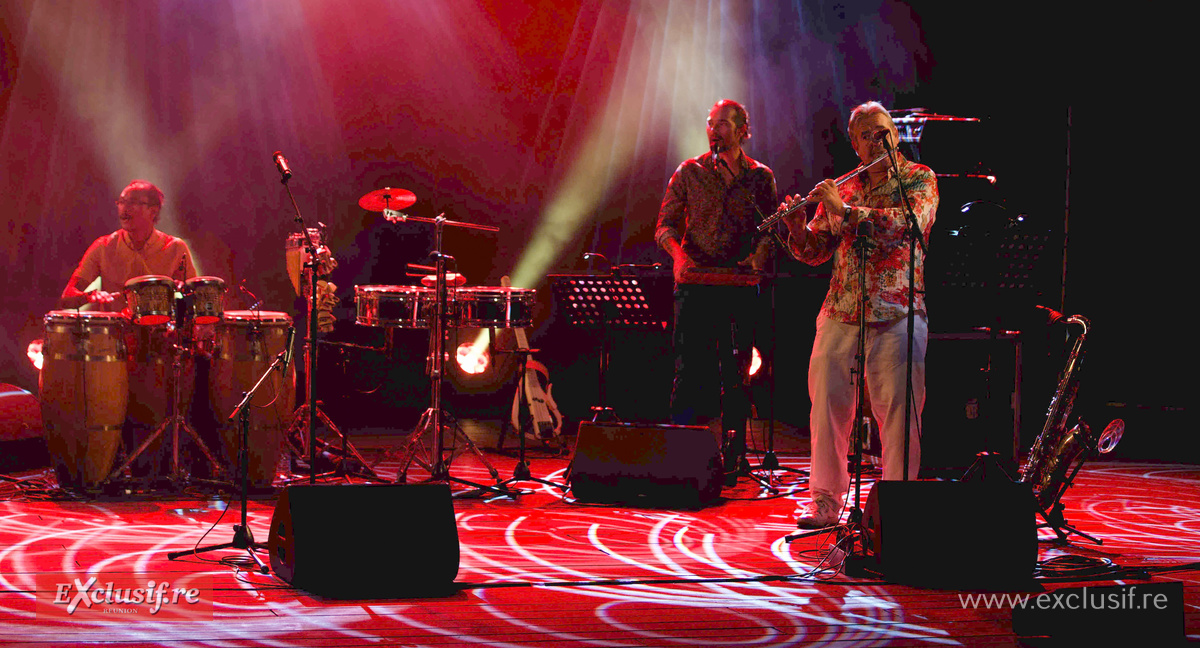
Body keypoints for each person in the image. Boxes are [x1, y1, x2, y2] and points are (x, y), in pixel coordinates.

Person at [780, 101, 938, 528]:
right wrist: (796, 226)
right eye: (868, 134)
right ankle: (826, 501)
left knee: (900, 411)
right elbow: (814, 252)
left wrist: (843, 213)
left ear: (896, 133)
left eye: (885, 131)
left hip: (899, 311)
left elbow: (908, 225)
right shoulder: (843, 187)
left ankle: (898, 505)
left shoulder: (919, 179)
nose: (879, 139)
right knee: (826, 405)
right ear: (855, 143)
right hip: (841, 310)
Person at [655, 99, 777, 485]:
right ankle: (678, 454)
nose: (713, 130)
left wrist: (758, 257)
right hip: (696, 283)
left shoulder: (760, 177)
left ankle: (735, 452)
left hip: (738, 284)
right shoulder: (689, 171)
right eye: (710, 123)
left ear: (743, 130)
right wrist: (677, 257)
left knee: (737, 372)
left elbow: (769, 229)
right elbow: (665, 226)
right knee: (688, 370)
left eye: (722, 124)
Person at [61, 180, 196, 310]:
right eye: (121, 202)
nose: (124, 208)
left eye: (132, 203)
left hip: (160, 331)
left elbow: (195, 298)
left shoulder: (176, 247)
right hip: (115, 331)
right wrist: (89, 296)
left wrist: (183, 289)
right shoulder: (103, 246)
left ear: (153, 211)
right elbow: (67, 297)